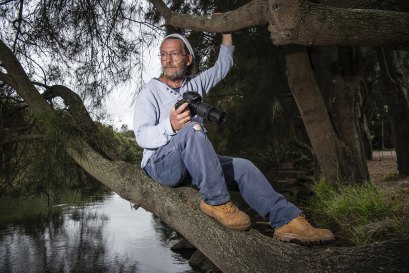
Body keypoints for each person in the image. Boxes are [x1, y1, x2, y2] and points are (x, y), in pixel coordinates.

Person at [133, 32, 334, 244]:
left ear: (188, 58)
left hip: (191, 161)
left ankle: (287, 221)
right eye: (163, 55)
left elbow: (223, 66)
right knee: (192, 128)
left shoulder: (195, 84)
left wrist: (227, 33)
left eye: (173, 54)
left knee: (243, 168)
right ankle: (216, 202)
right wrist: (170, 125)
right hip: (160, 164)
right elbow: (141, 136)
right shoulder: (150, 92)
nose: (167, 60)